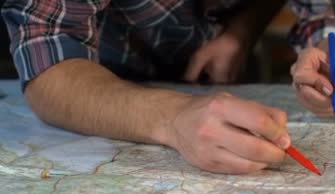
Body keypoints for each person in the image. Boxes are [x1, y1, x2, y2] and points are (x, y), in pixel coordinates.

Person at [2, 0, 290, 175]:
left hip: (224, 76)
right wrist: (172, 117)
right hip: (102, 90)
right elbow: (47, 62)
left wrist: (241, 33)